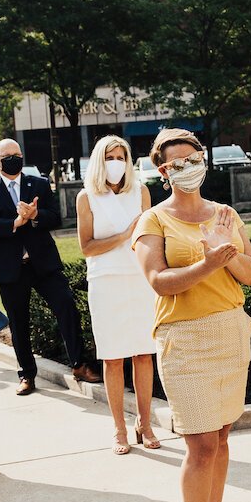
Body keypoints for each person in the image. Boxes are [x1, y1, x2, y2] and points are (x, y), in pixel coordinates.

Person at [134, 128, 251, 502]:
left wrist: (225, 255)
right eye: (178, 163)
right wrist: (206, 262)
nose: (189, 167)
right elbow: (159, 281)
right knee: (201, 443)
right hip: (184, 339)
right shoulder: (153, 220)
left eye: (194, 158)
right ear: (163, 170)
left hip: (229, 332)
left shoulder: (225, 214)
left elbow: (250, 274)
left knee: (222, 436)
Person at [0, 138, 100, 395]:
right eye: (7, 155)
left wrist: (35, 216)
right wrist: (15, 222)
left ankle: (78, 364)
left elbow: (55, 217)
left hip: (43, 263)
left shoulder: (40, 184)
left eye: (17, 154)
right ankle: (27, 375)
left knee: (66, 306)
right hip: (10, 267)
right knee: (19, 322)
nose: (13, 158)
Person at [77, 135, 161, 454]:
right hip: (106, 280)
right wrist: (124, 234)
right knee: (113, 357)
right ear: (100, 161)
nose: (116, 163)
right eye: (110, 157)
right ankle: (119, 427)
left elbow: (151, 238)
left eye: (121, 156)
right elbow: (87, 247)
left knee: (143, 353)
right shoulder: (87, 197)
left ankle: (145, 422)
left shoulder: (141, 192)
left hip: (138, 280)